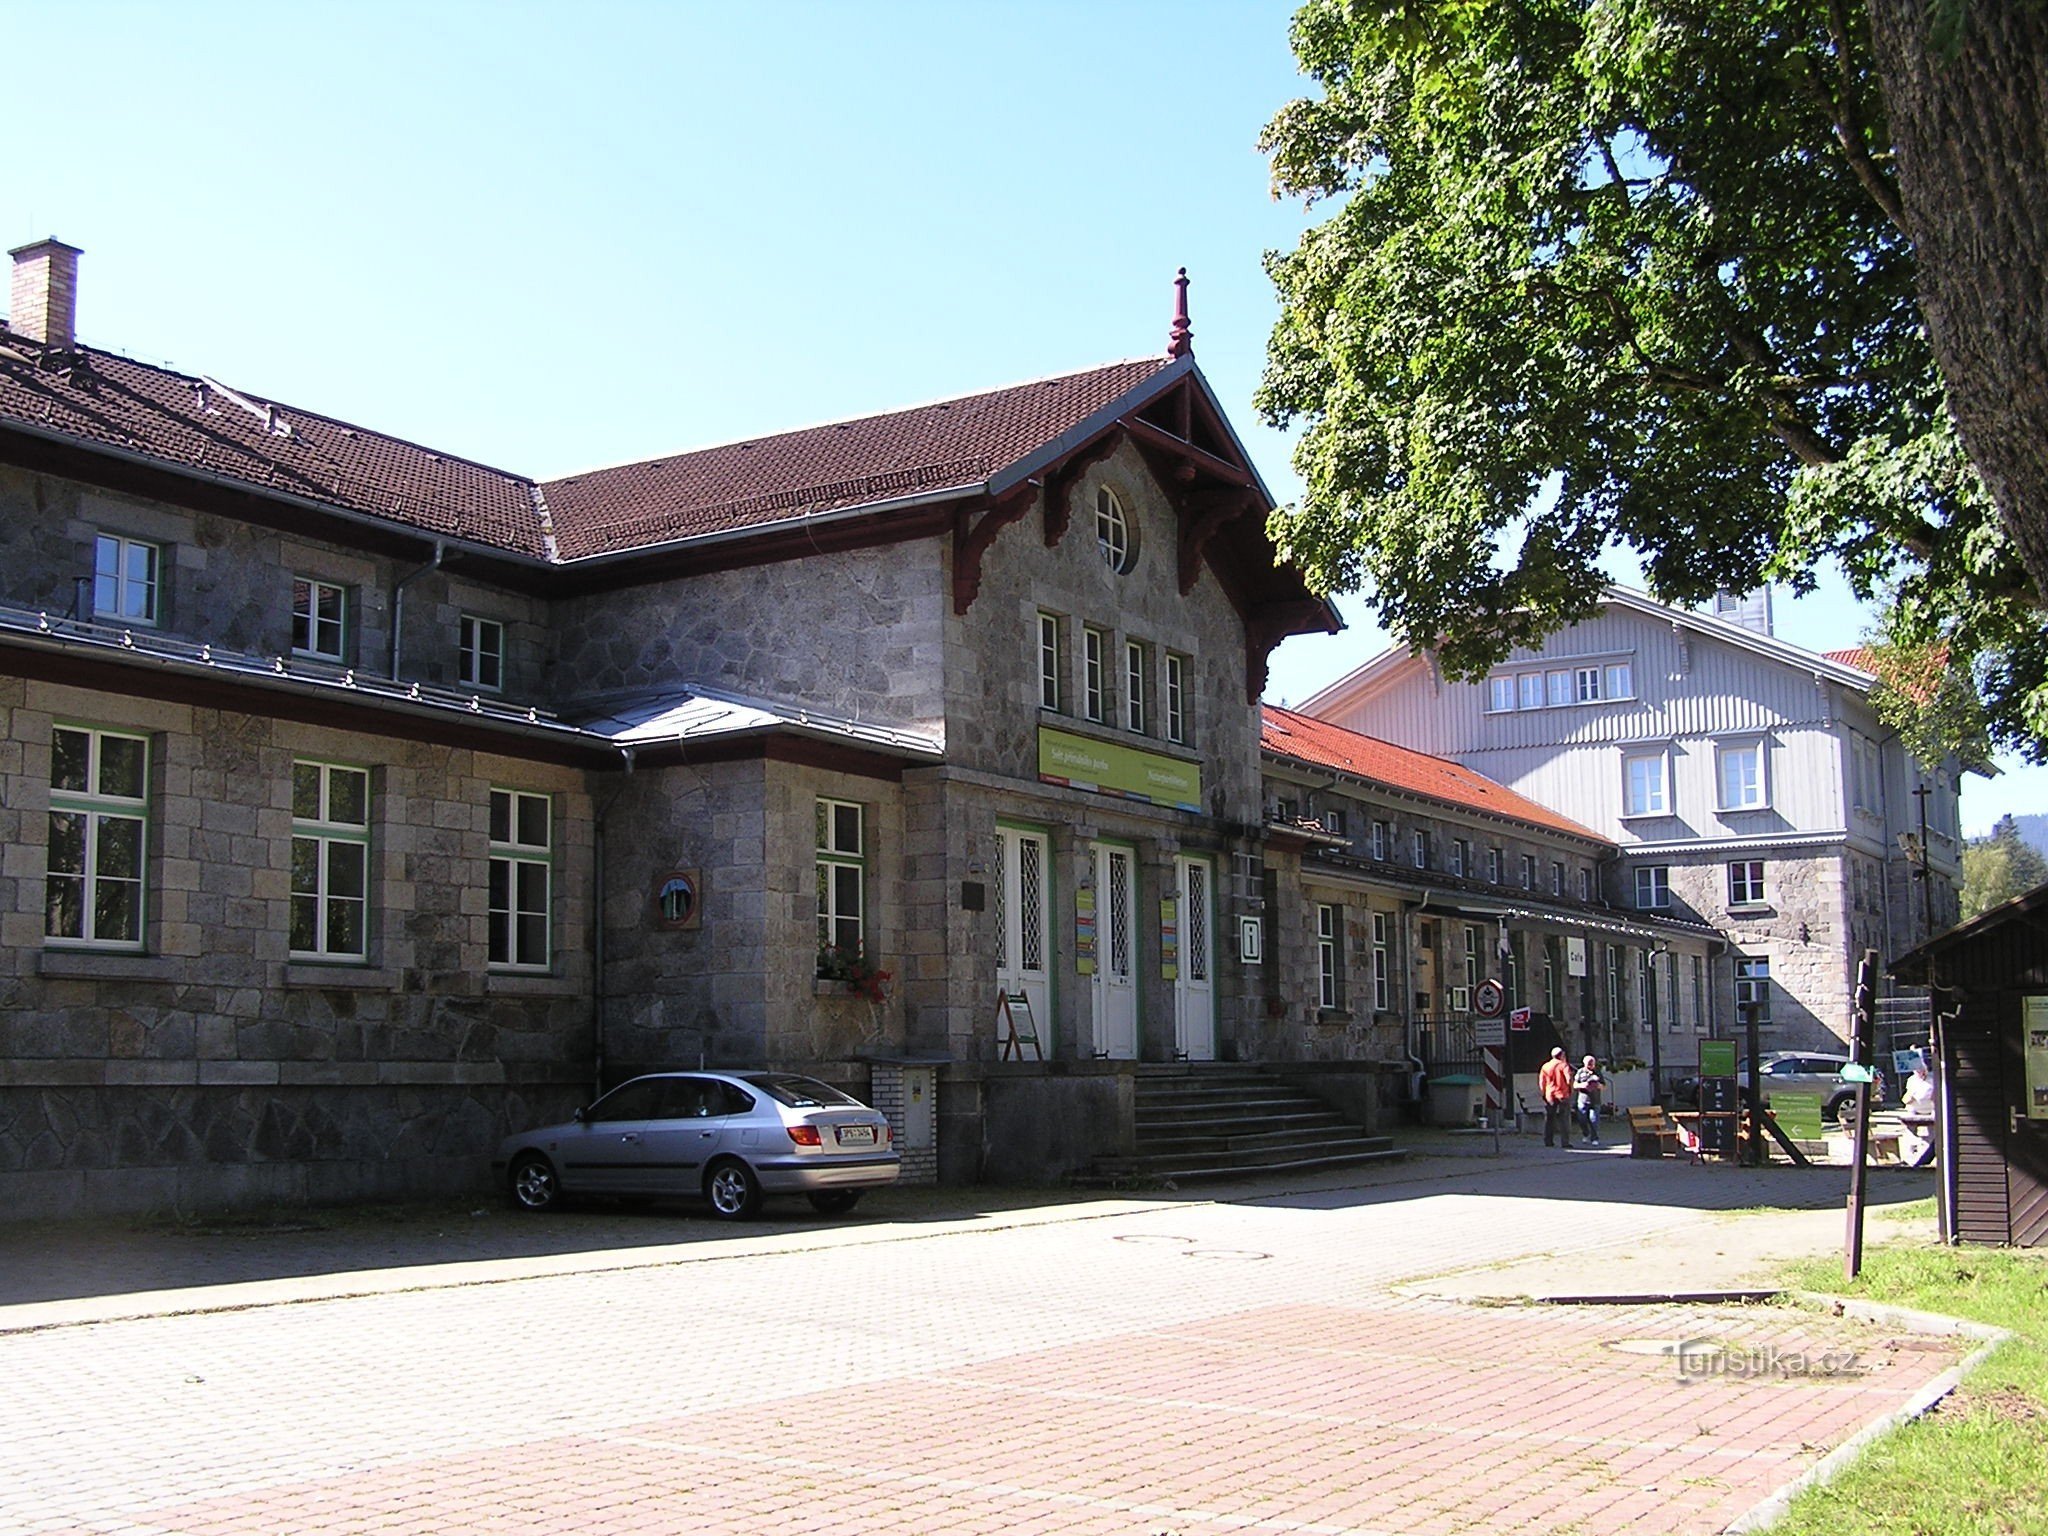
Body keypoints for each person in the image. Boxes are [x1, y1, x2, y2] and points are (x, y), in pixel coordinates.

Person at [1539, 1046, 1574, 1147]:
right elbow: (1568, 1079)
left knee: (1549, 1118)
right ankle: (1565, 1142)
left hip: (1550, 1095)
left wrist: (1543, 1093)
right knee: (1564, 1119)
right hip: (1562, 1094)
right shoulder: (1564, 1065)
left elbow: (1542, 1082)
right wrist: (1570, 1090)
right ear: (1561, 1055)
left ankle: (1548, 1140)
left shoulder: (1545, 1066)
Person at [1573, 1055, 1608, 1145]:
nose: (1591, 1066)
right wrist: (1583, 1085)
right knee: (1582, 1119)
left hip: (1595, 1100)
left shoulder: (1597, 1072)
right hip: (1583, 1099)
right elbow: (1574, 1085)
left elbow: (1604, 1086)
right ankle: (1585, 1133)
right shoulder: (1580, 1072)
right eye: (1589, 1064)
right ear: (1584, 1064)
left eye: (1592, 1064)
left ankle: (1594, 1138)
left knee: (1594, 1119)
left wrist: (1598, 1085)